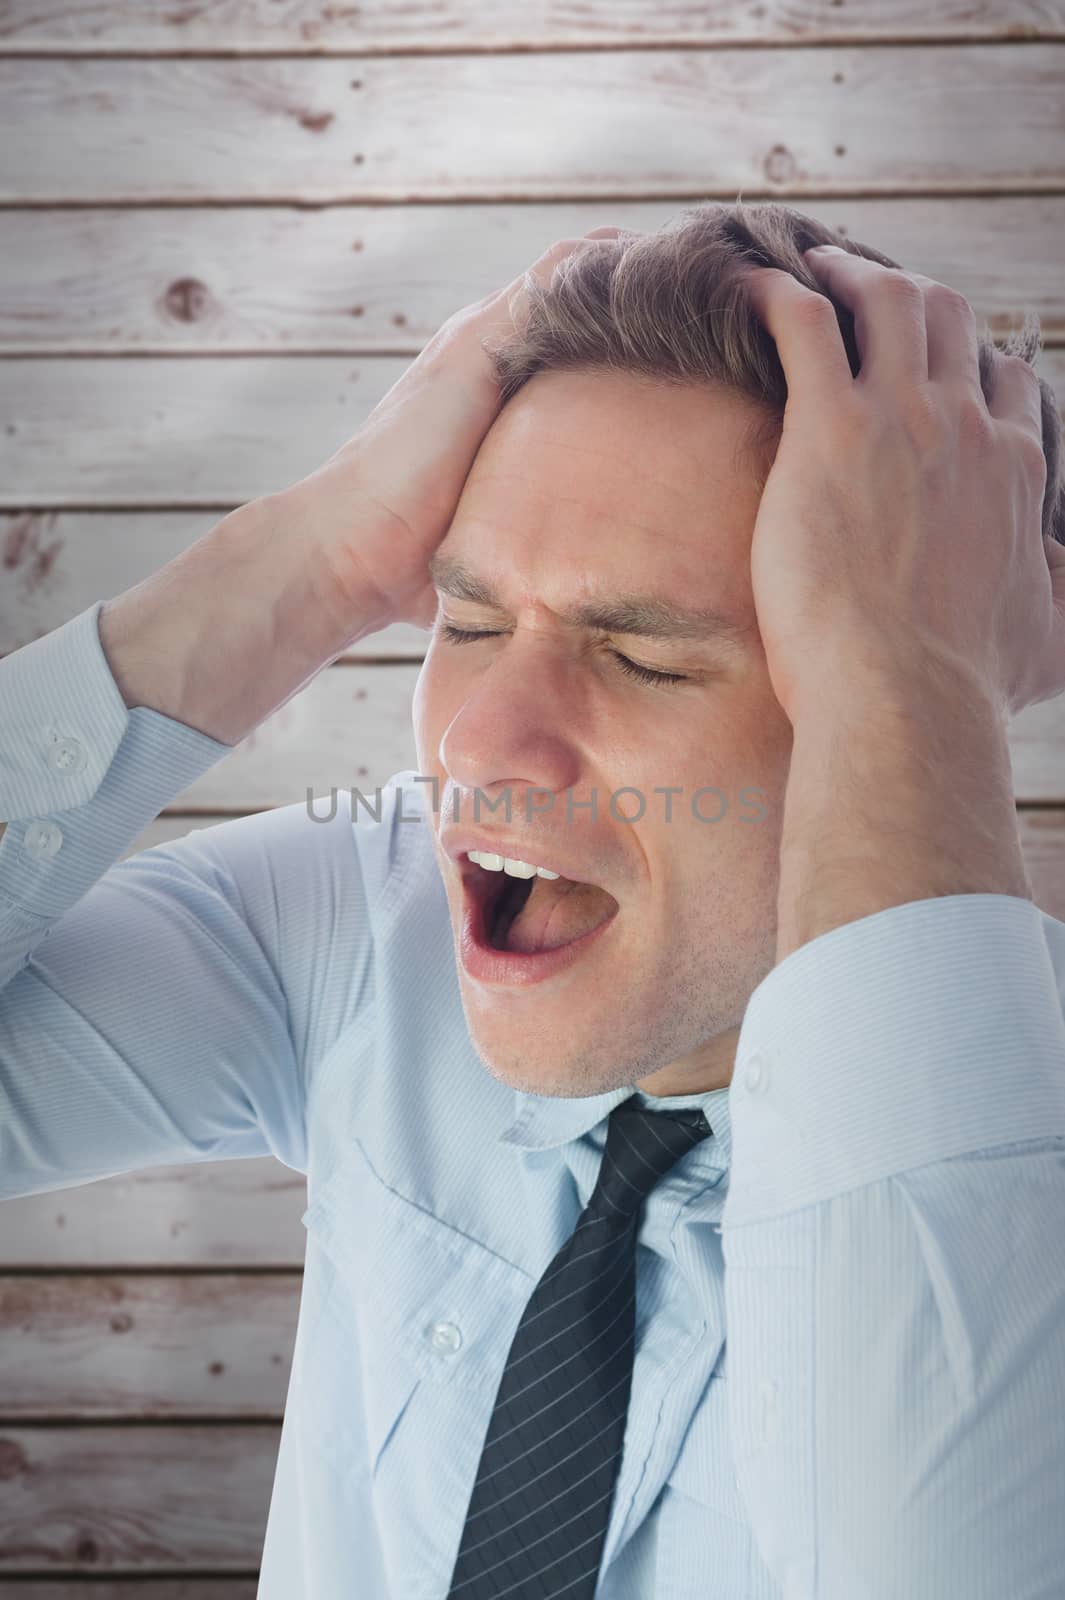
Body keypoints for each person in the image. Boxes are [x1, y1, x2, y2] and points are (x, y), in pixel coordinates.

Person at [2, 200, 1064, 1599]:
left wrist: (917, 687)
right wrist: (312, 553)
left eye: (644, 658)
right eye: (473, 623)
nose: (480, 746)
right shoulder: (363, 914)